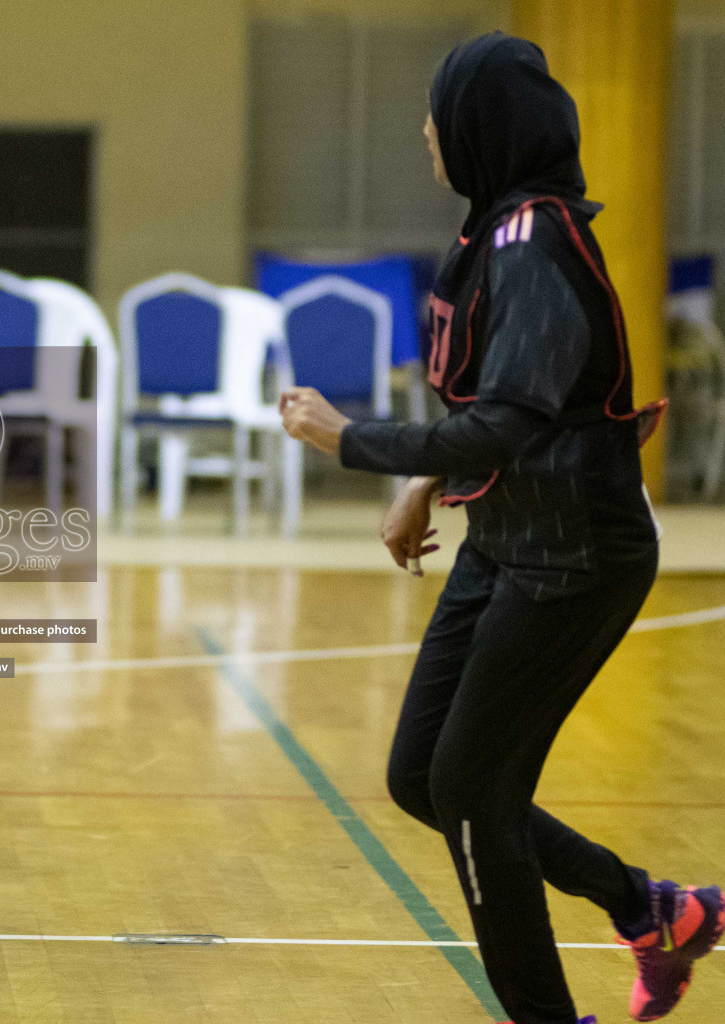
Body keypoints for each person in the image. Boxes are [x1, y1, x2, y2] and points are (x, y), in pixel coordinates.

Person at [279, 33, 721, 1024]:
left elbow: (510, 418)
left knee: (469, 784)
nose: (426, 130)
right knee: (421, 775)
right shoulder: (492, 230)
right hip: (508, 543)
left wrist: (352, 443)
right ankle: (653, 907)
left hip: (576, 560)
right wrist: (422, 485)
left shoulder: (540, 245)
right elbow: (486, 398)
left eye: (439, 113)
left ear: (482, 126)